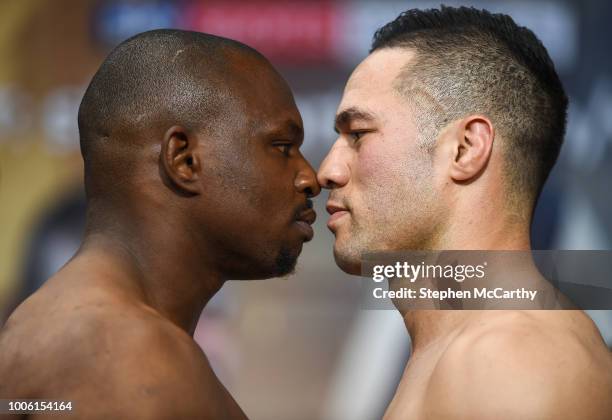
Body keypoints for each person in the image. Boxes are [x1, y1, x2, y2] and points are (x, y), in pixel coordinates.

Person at [0, 29, 319, 419]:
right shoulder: (121, 351)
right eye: (283, 147)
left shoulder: (62, 329)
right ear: (183, 160)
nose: (310, 178)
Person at [318, 6, 612, 419]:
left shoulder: (510, 357)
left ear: (465, 149)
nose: (326, 172)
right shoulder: (463, 351)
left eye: (358, 135)